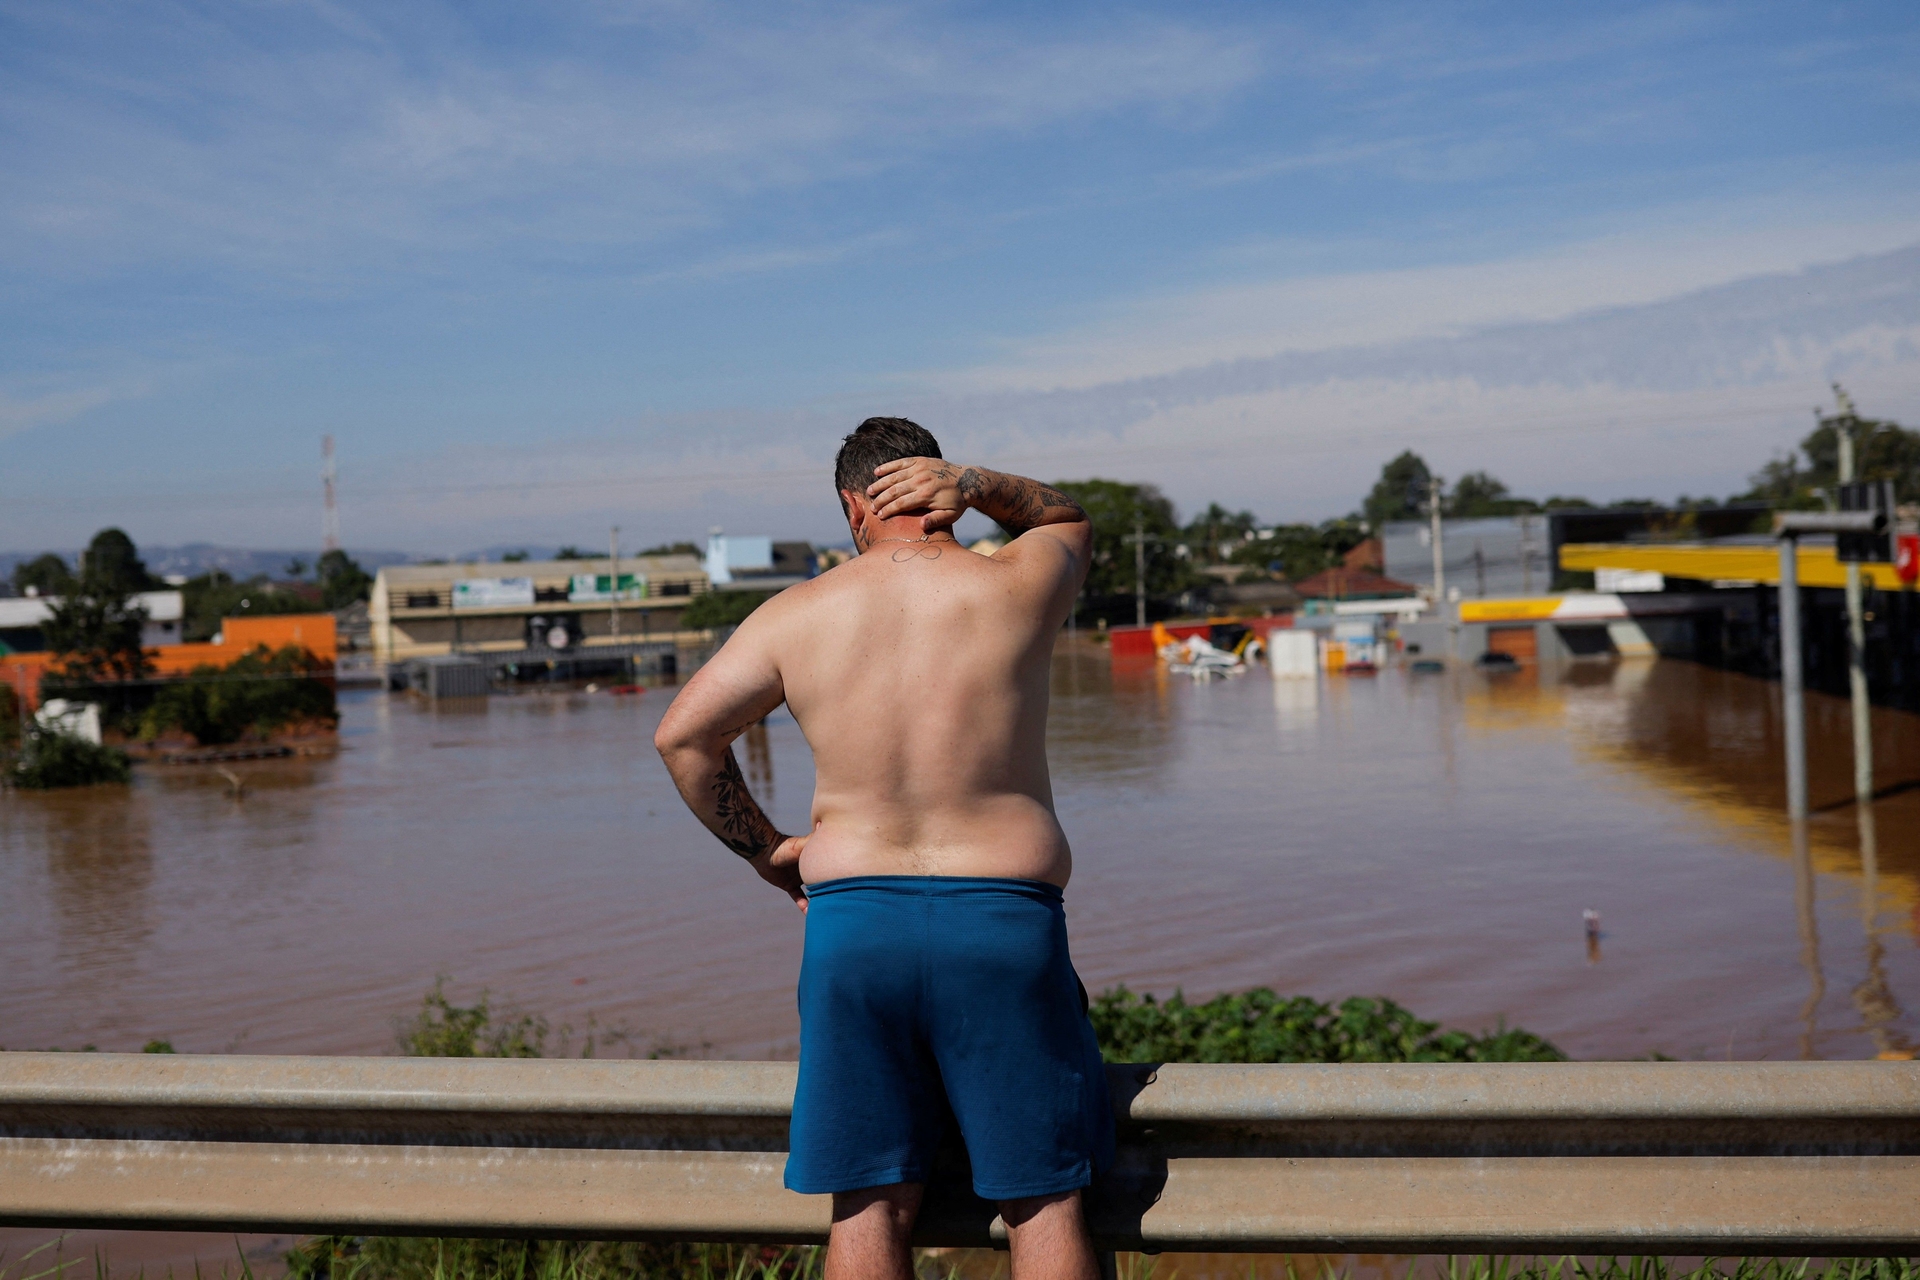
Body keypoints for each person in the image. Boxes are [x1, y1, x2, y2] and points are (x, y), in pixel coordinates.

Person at [655, 416, 1111, 1280]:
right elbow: (1067, 519)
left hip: (853, 925)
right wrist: (979, 483)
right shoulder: (1017, 580)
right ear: (939, 488)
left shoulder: (797, 613)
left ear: (850, 505)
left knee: (867, 1204)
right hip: (1002, 919)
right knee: (1042, 1202)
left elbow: (683, 739)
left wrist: (768, 850)